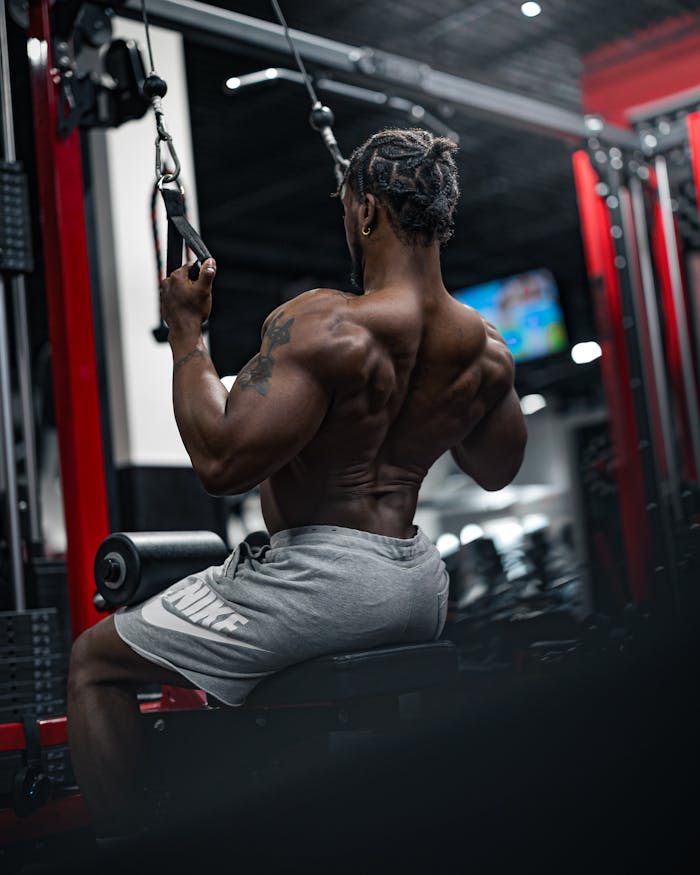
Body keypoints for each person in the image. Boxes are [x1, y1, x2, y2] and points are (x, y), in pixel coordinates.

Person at [67, 127, 527, 841]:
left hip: (323, 585)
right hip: (418, 584)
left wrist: (188, 336)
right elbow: (496, 471)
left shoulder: (322, 325)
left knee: (95, 661)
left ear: (367, 210)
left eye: (348, 207)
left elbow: (221, 463)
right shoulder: (488, 347)